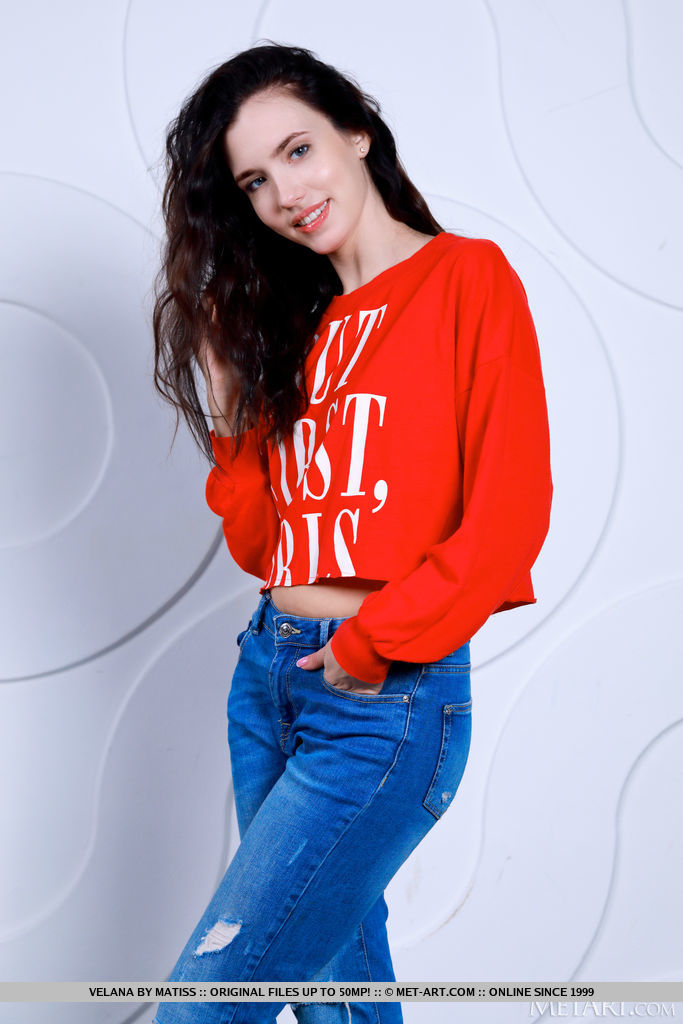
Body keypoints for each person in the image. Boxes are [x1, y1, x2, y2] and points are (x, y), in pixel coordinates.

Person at [150, 41, 553, 1024]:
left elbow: (505, 517)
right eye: (253, 181)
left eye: (296, 151)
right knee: (337, 1000)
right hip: (268, 675)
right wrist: (232, 401)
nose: (284, 194)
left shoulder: (464, 278)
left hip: (380, 694)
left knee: (205, 1004)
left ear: (357, 134)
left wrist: (370, 646)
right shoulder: (301, 327)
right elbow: (268, 547)